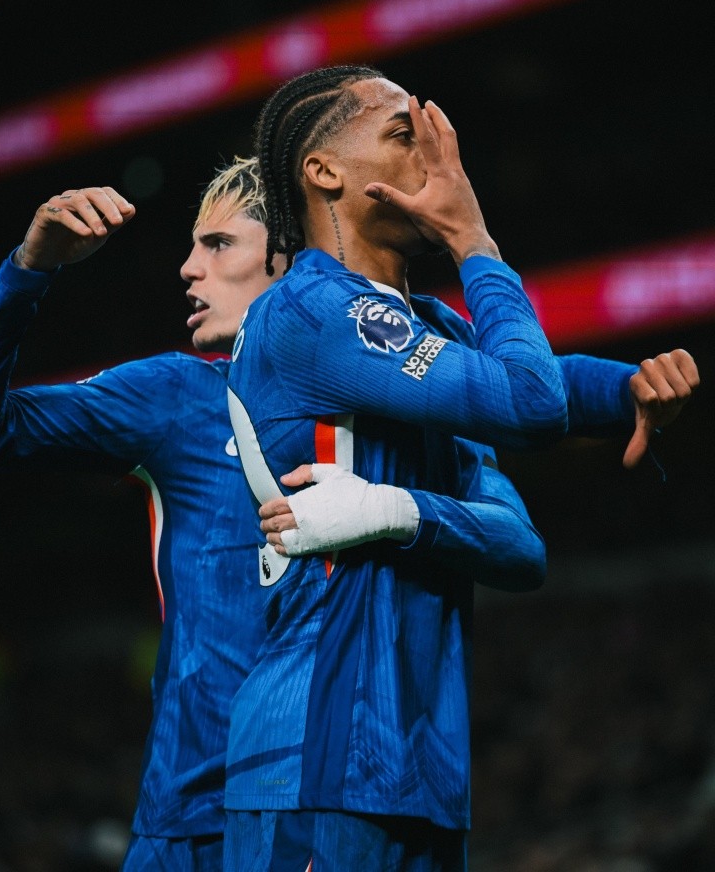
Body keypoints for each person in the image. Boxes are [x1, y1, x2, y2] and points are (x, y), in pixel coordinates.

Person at [0, 160, 575, 870]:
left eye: (217, 244)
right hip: (188, 823)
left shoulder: (406, 407)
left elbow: (522, 548)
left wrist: (399, 509)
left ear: (290, 260)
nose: (187, 268)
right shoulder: (174, 396)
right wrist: (30, 267)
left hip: (328, 794)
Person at [224, 65, 699, 871]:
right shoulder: (312, 311)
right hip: (316, 757)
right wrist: (475, 241)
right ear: (326, 172)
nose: (442, 163)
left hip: (421, 766)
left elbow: (527, 535)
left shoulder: (426, 326)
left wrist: (631, 389)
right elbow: (531, 402)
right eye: (405, 136)